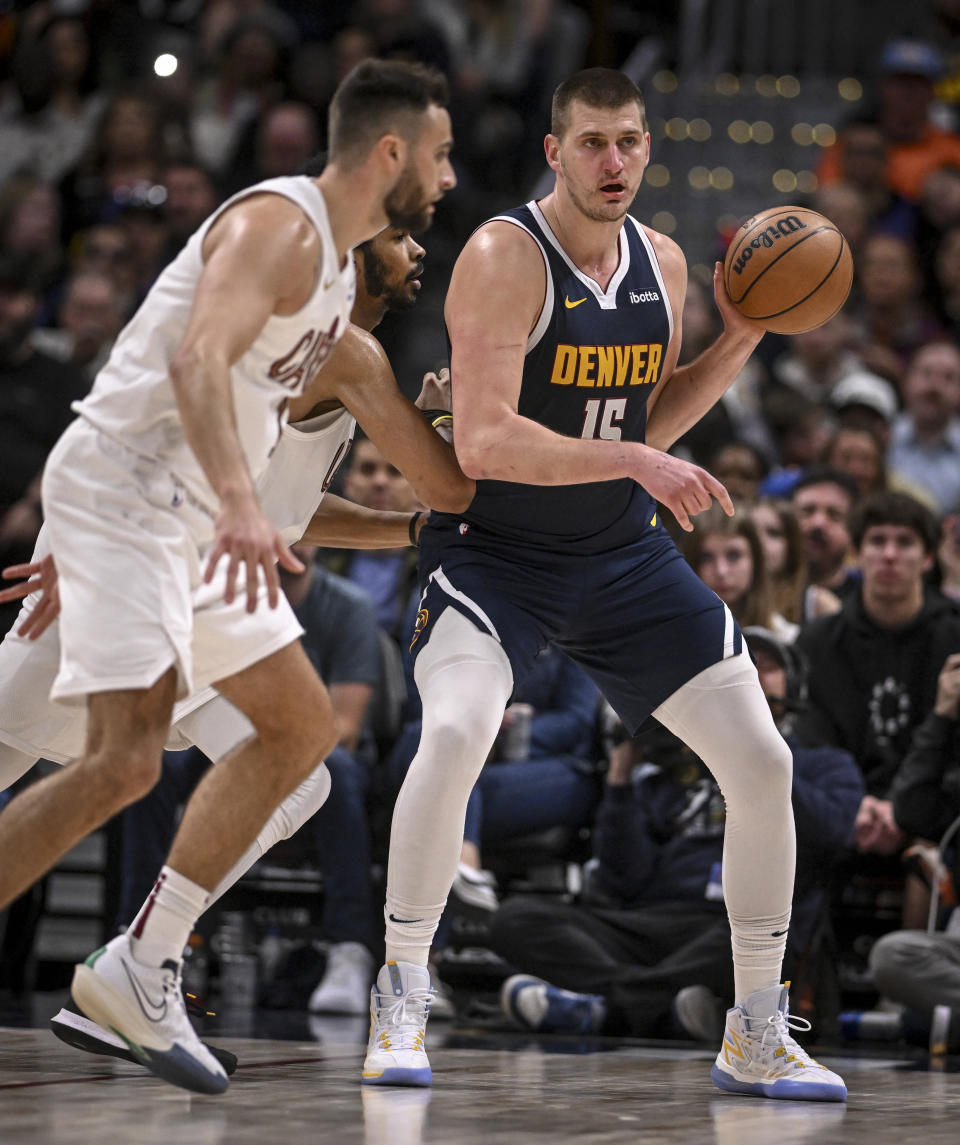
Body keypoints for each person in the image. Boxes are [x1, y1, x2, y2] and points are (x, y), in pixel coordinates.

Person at [362, 67, 847, 1101]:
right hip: (496, 556)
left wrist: (742, 337)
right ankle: (400, 989)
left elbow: (645, 420)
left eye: (630, 141)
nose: (614, 162)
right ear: (555, 151)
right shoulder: (504, 255)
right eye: (593, 143)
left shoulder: (663, 262)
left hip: (620, 558)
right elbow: (486, 439)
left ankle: (756, 1024)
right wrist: (635, 461)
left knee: (763, 761)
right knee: (451, 735)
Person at [0, 59, 457, 1096]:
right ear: (389, 153)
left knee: (300, 741)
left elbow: (430, 491)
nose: (446, 177)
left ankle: (140, 961)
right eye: (438, 153)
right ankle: (136, 963)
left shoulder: (339, 290)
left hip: (192, 527)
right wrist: (233, 505)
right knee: (110, 763)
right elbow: (193, 361)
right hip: (133, 502)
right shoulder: (279, 226)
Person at [492, 628, 863, 1044]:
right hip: (651, 923)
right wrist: (619, 780)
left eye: (768, 666)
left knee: (756, 949)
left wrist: (758, 752)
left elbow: (829, 836)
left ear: (793, 684)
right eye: (746, 664)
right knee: (516, 918)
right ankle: (663, 1007)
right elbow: (623, 880)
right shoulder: (677, 767)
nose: (754, 674)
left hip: (732, 927)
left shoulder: (825, 766)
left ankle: (606, 1008)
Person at [797, 491, 960, 841]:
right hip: (841, 815)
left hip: (935, 815)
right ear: (857, 554)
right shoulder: (817, 642)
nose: (889, 555)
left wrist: (904, 809)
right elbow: (813, 743)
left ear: (929, 557)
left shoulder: (955, 637)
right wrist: (855, 805)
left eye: (904, 543)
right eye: (877, 541)